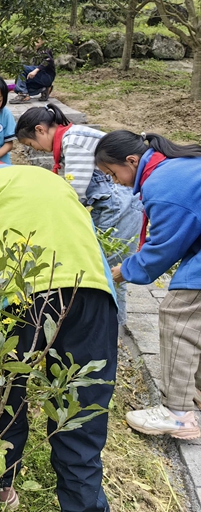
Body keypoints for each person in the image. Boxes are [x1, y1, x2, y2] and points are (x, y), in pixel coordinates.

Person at [0, 153, 118, 512]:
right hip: (94, 292)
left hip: (20, 296)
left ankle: (0, 486)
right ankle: (84, 505)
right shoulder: (51, 180)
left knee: (6, 394)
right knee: (80, 405)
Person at [94, 131, 201, 440]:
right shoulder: (176, 167)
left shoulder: (162, 184)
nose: (116, 182)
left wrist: (123, 271)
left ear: (131, 161)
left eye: (113, 174)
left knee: (178, 317)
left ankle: (178, 414)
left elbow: (163, 248)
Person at [15, 105, 142, 324]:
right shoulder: (71, 139)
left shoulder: (73, 141)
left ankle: (112, 329)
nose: (36, 150)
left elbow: (75, 192)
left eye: (30, 144)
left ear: (40, 130)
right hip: (118, 204)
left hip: (120, 206)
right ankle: (110, 326)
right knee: (108, 270)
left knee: (107, 272)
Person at [11, 37, 56, 104]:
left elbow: (48, 60)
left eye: (37, 40)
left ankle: (23, 94)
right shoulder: (37, 52)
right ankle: (44, 89)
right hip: (42, 79)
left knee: (21, 68)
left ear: (43, 41)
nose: (35, 43)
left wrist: (35, 71)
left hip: (46, 76)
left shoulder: (44, 49)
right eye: (33, 41)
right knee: (19, 87)